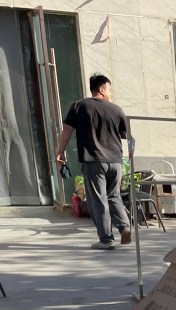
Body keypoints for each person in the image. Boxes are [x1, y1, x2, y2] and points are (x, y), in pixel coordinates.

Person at [55, 73, 132, 250]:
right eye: (109, 90)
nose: (110, 94)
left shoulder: (79, 106)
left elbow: (66, 132)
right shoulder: (117, 109)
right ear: (101, 89)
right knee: (114, 196)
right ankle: (124, 226)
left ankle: (106, 239)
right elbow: (127, 136)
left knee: (98, 199)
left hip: (94, 160)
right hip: (116, 161)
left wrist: (60, 151)